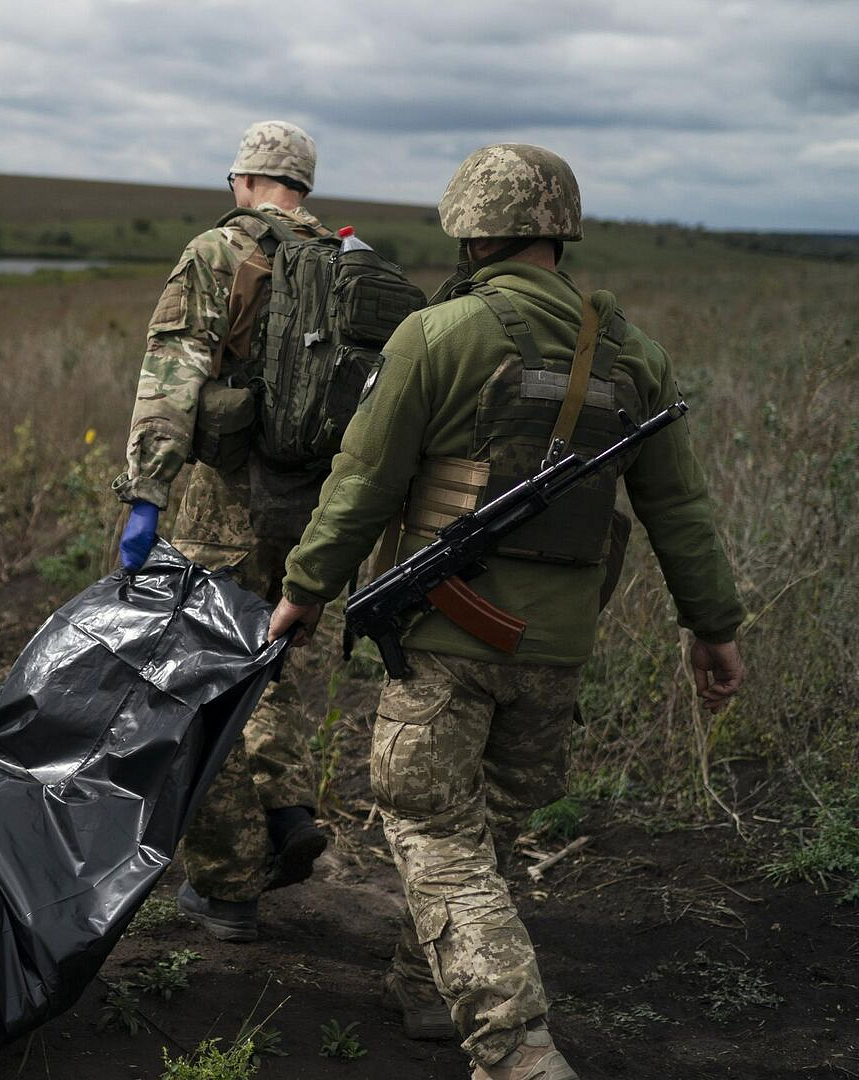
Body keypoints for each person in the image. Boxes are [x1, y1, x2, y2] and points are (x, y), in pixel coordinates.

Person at [270, 145, 746, 1079]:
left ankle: (516, 1048)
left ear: (470, 227)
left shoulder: (439, 333)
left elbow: (363, 483)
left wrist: (302, 592)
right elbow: (678, 511)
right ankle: (423, 988)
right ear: (559, 231)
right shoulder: (633, 354)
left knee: (430, 827)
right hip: (556, 650)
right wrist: (714, 627)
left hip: (450, 636)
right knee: (475, 830)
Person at [113, 120, 333, 941]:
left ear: (241, 180)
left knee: (193, 679)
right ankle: (284, 809)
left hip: (226, 507)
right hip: (315, 514)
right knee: (266, 665)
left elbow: (173, 374)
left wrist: (146, 496)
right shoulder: (347, 262)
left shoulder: (218, 252)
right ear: (303, 186)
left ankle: (229, 881)